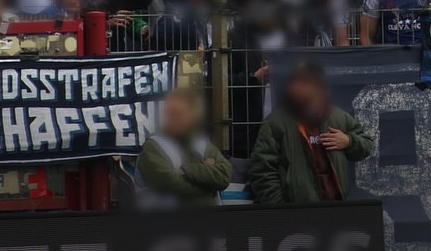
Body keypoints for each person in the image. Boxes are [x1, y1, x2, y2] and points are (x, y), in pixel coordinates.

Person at [248, 62, 374, 203]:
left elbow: (367, 145)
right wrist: (279, 206)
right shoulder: (276, 122)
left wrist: (348, 141)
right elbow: (261, 169)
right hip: (295, 212)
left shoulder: (338, 117)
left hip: (335, 209)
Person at [134, 89, 231, 208]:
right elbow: (168, 183)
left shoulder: (202, 142)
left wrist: (184, 170)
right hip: (164, 222)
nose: (171, 118)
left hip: (206, 220)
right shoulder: (154, 145)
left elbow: (224, 176)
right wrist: (208, 184)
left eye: (178, 113)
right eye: (169, 113)